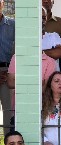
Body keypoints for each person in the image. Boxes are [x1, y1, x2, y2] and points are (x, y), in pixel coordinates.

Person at [0, 0, 15, 135]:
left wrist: (9, 71)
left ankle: (8, 141)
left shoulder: (13, 25)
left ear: (2, 4)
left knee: (8, 111)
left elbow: (20, 50)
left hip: (7, 73)